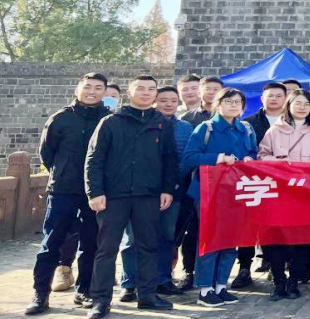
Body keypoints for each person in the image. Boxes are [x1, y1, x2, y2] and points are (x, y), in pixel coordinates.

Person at [84, 76, 178, 319]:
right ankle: (100, 300)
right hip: (114, 195)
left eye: (151, 89)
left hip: (148, 195)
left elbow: (170, 158)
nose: (146, 93)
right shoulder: (111, 121)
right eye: (141, 88)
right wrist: (95, 192)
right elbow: (94, 159)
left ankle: (147, 295)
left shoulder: (162, 122)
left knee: (148, 246)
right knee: (106, 249)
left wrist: (168, 189)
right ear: (130, 91)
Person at [26, 73, 111, 316]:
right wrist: (62, 172)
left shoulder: (109, 120)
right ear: (77, 90)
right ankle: (41, 293)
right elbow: (47, 153)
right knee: (51, 242)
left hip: (96, 192)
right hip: (62, 189)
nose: (92, 91)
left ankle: (85, 291)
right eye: (87, 87)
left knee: (91, 242)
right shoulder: (60, 118)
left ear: (105, 92)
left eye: (98, 88)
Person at [181, 88, 257, 307]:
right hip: (209, 193)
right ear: (218, 104)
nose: (233, 105)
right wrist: (218, 158)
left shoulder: (246, 129)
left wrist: (250, 159)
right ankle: (205, 289)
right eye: (228, 101)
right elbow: (190, 157)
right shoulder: (206, 128)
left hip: (238, 192)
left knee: (231, 240)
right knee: (211, 238)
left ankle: (221, 286)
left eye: (238, 102)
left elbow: (253, 152)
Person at [117, 87, 191, 302]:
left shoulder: (185, 128)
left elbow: (185, 159)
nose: (168, 104)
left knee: (166, 237)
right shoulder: (141, 122)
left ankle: (163, 279)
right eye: (163, 100)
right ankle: (129, 283)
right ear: (154, 101)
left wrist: (171, 182)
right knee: (133, 239)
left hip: (172, 191)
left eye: (173, 101)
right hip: (141, 191)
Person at [258, 90, 310, 300]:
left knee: (303, 239)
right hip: (280, 192)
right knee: (277, 238)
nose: (302, 107)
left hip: (306, 193)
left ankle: (294, 281)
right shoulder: (274, 130)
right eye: (298, 103)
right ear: (289, 105)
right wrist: (278, 162)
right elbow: (262, 155)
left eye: (306, 104)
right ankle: (278, 281)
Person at [230, 82, 288, 288]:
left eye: (278, 96)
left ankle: (275, 266)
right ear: (262, 99)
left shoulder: (292, 122)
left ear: (285, 99)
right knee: (248, 226)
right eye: (270, 95)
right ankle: (244, 267)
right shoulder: (248, 123)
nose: (274, 99)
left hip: (283, 182)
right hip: (254, 181)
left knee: (274, 226)